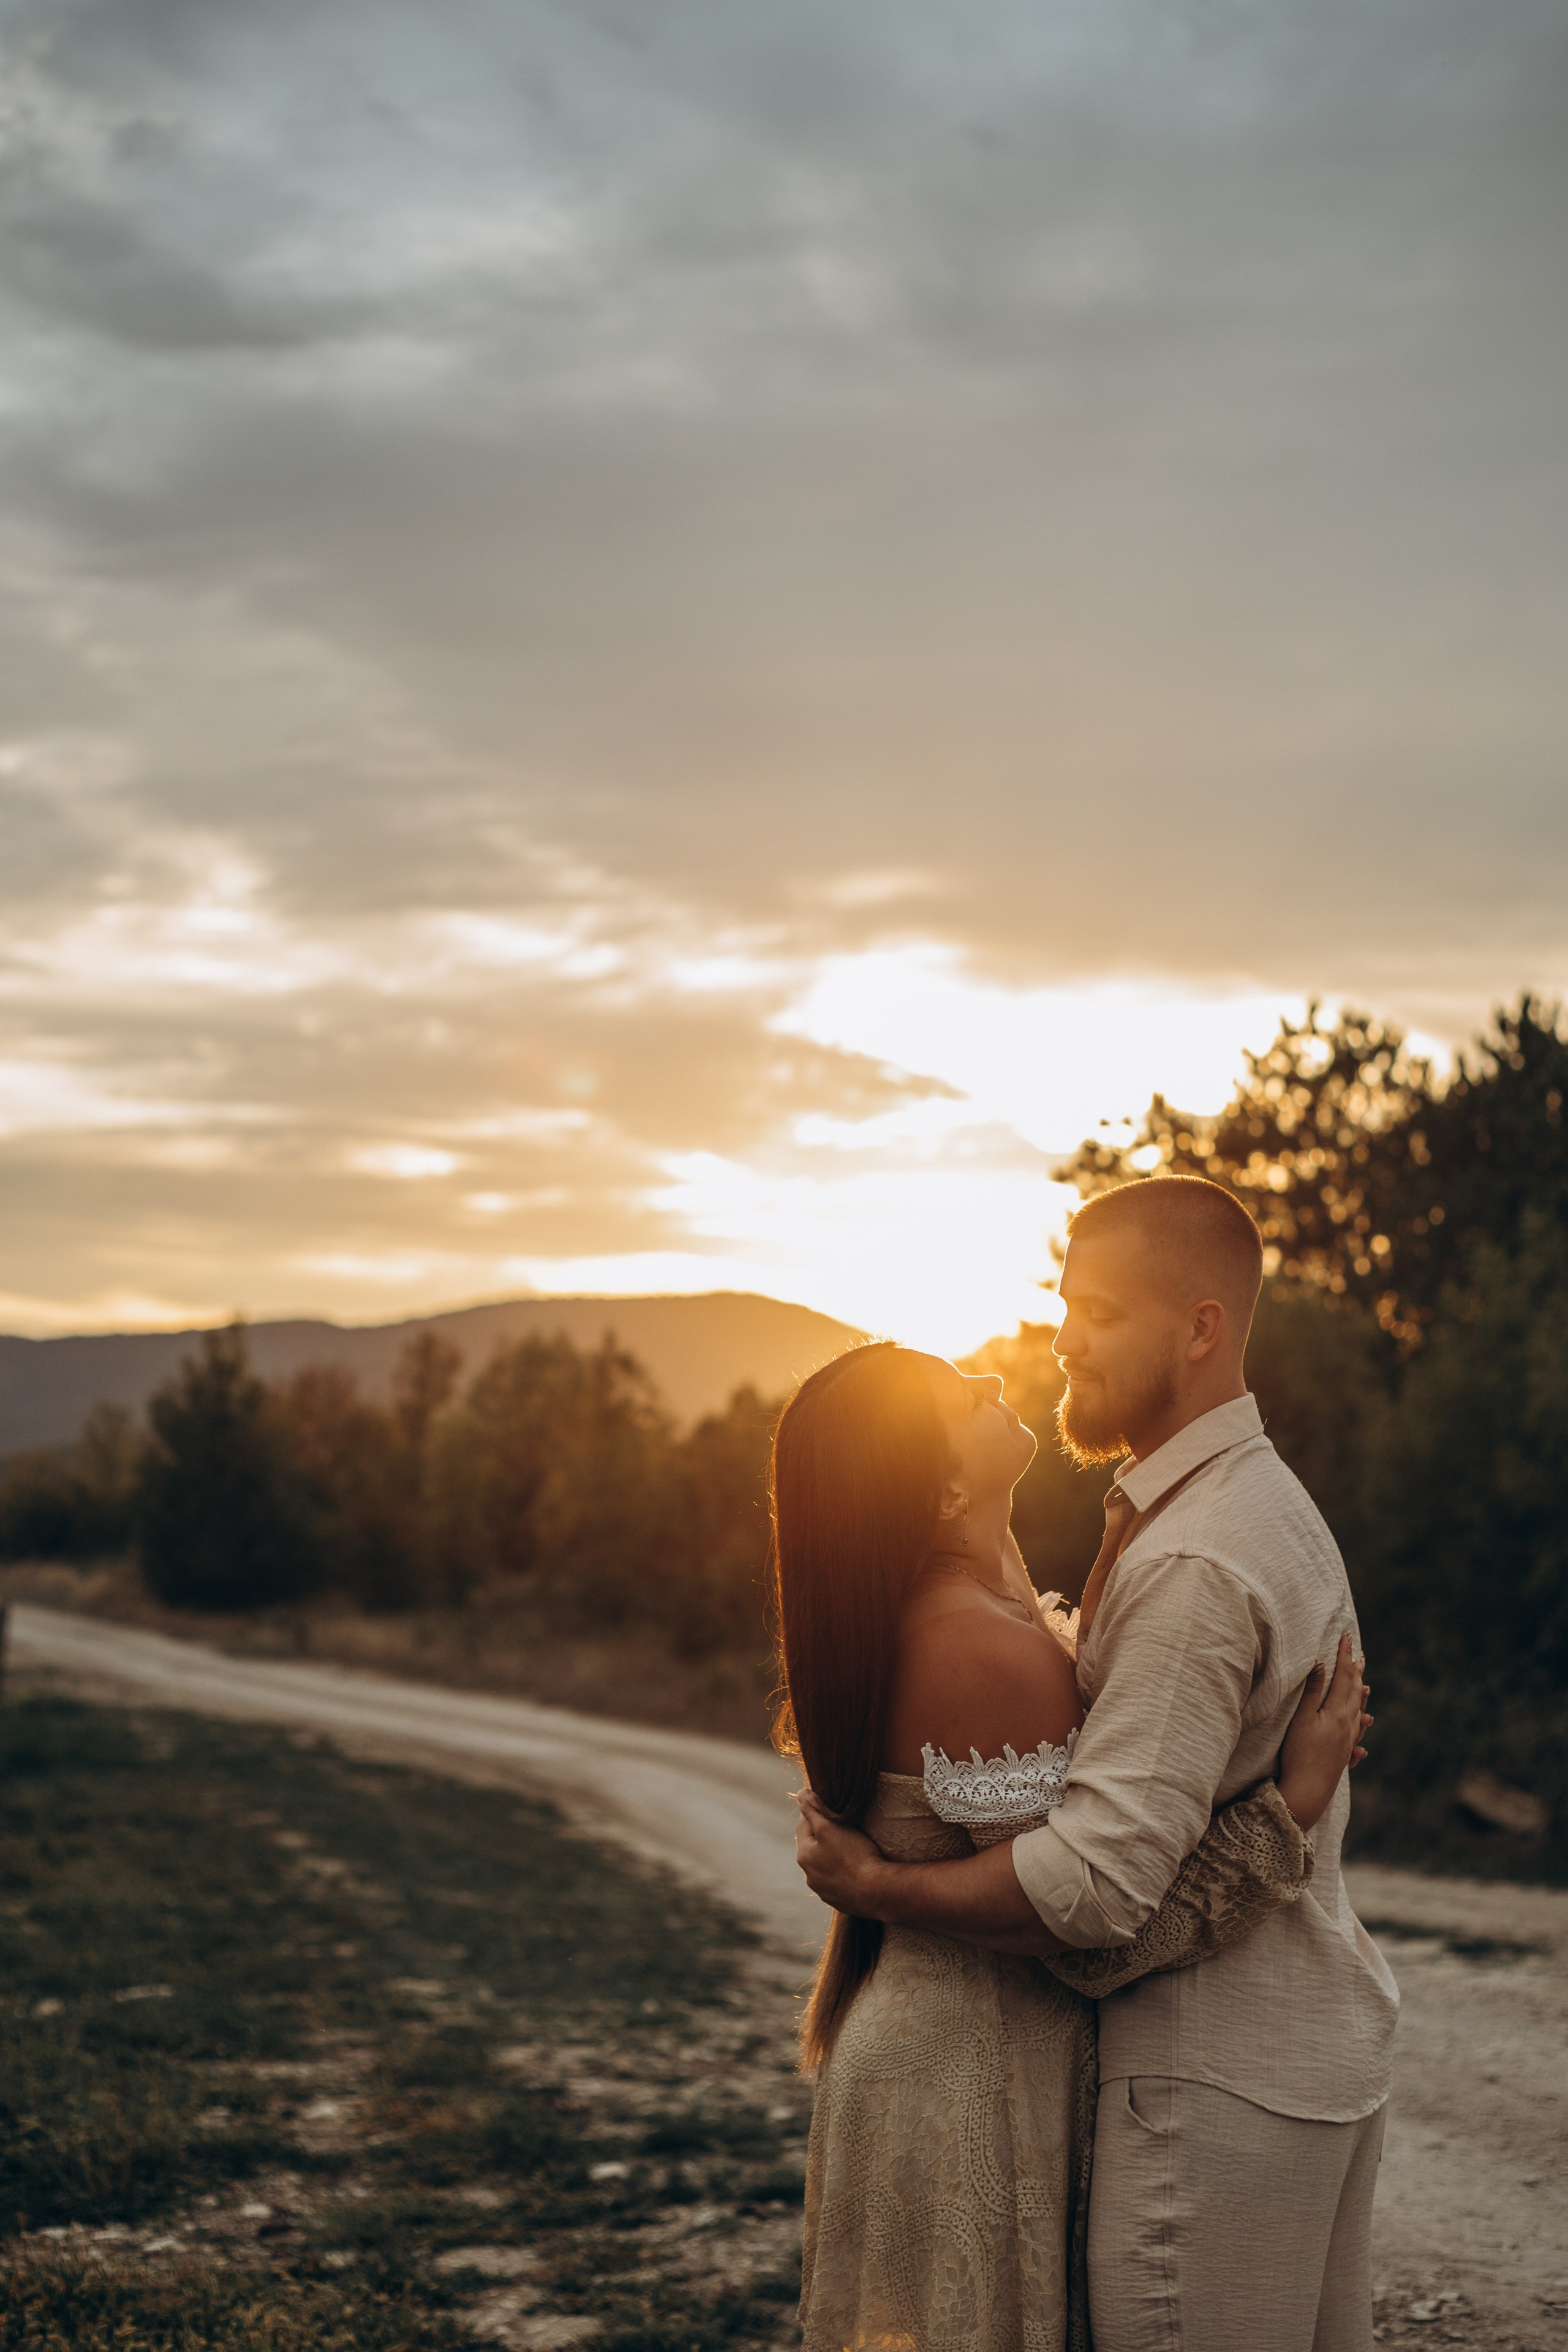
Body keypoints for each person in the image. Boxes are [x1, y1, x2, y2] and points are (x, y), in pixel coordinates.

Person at [794, 1175, 1399, 2352]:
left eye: (1101, 1314)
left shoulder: (1188, 1557)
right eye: (1064, 1306)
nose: (1055, 1343)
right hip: (998, 2067)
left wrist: (882, 1890)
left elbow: (1093, 1901)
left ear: (1201, 1329)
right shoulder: (1225, 1513)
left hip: (1208, 2082)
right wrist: (1289, 1808)